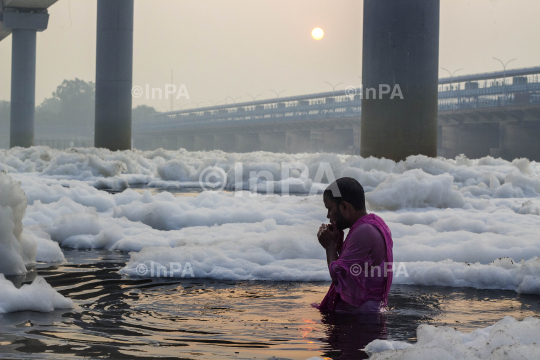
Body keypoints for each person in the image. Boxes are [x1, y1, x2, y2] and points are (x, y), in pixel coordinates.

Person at [314, 177, 393, 313]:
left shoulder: (364, 231)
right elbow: (353, 273)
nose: (328, 215)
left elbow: (339, 276)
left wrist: (330, 246)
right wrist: (339, 246)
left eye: (329, 209)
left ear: (344, 207)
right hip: (363, 315)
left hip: (361, 320)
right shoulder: (371, 225)